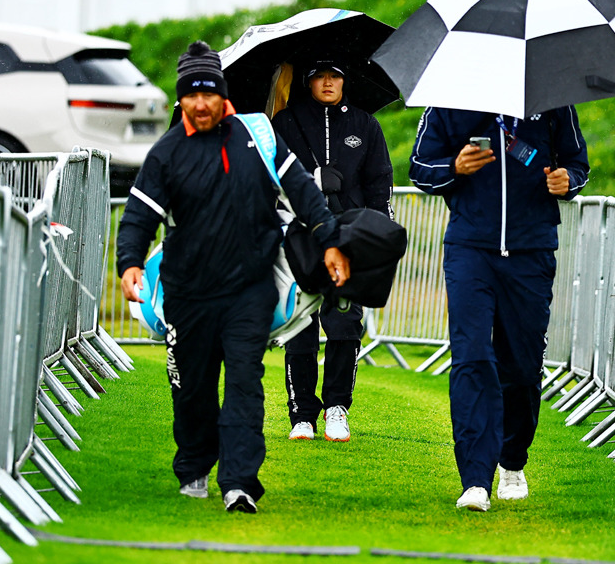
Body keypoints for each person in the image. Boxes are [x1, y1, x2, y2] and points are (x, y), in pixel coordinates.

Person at [117, 41, 351, 514]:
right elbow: (139, 215)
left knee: (245, 382)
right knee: (193, 388)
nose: (200, 104)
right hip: (188, 293)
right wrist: (129, 262)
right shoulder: (167, 152)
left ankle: (240, 482)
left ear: (222, 95)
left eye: (209, 94)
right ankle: (194, 466)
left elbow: (303, 192)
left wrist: (329, 239)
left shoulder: (257, 136)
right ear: (181, 99)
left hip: (250, 288)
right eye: (191, 95)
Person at [409, 107, 589, 512]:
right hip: (470, 248)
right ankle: (475, 479)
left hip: (532, 250)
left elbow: (578, 164)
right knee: (471, 357)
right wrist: (454, 168)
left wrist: (568, 181)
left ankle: (512, 462)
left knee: (522, 368)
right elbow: (419, 167)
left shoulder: (553, 99)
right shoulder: (449, 97)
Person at [271, 59, 393, 443]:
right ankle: (302, 414)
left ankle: (337, 408)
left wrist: (377, 235)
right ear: (308, 82)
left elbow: (379, 183)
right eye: (320, 76)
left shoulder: (365, 124)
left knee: (344, 321)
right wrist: (311, 180)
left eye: (335, 75)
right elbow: (270, 176)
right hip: (299, 234)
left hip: (349, 236)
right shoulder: (285, 122)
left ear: (344, 80)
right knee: (301, 324)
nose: (328, 82)